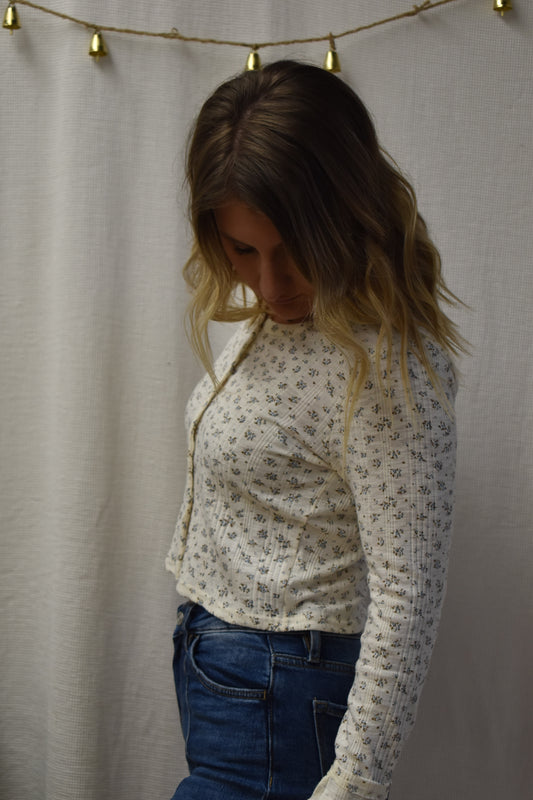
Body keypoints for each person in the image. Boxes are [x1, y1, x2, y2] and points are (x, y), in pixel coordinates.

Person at [165, 60, 465, 800]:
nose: (270, 284)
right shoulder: (282, 318)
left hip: (280, 692)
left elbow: (408, 592)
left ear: (345, 214)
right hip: (229, 676)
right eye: (243, 250)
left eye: (294, 247)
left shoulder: (386, 362)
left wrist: (355, 780)